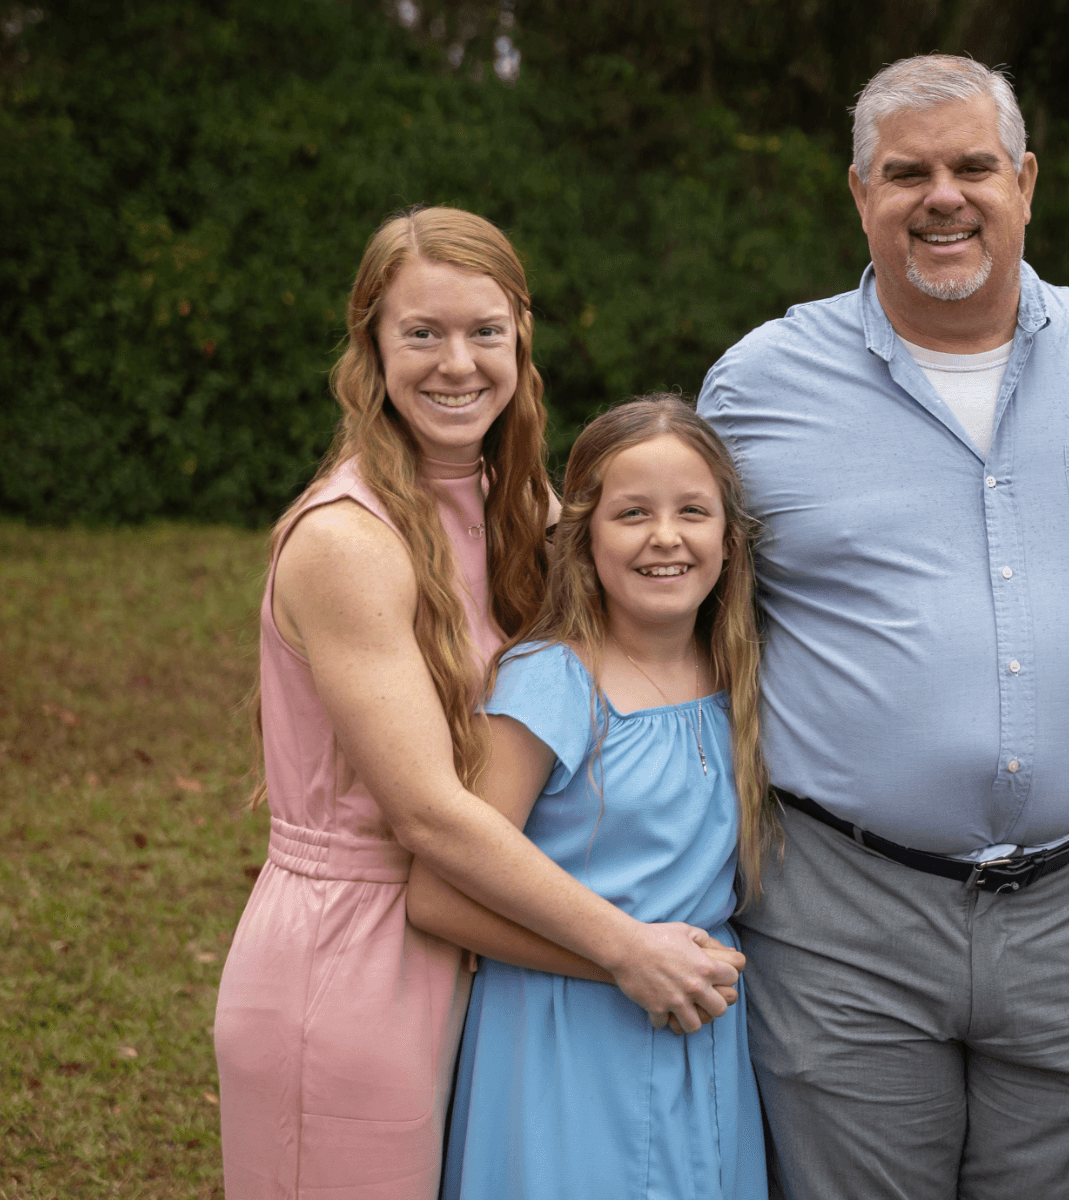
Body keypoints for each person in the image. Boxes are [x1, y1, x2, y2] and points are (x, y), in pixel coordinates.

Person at [697, 54, 1069, 1200]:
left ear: (1025, 181)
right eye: (907, 173)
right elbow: (660, 608)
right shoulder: (758, 386)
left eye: (971, 167)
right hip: (840, 919)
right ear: (860, 192)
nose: (941, 197)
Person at [213, 209, 742, 1199]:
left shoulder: (518, 504)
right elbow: (425, 813)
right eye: (422, 332)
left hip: (487, 943)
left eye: (484, 332)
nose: (456, 363)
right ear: (371, 345)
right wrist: (626, 946)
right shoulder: (347, 541)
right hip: (353, 957)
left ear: (521, 338)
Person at [403, 395, 770, 1199]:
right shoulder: (551, 684)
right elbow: (437, 897)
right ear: (584, 538)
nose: (665, 536)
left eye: (692, 511)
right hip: (566, 1035)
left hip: (703, 1029)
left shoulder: (738, 675)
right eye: (632, 513)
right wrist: (622, 960)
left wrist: (673, 973)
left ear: (729, 539)